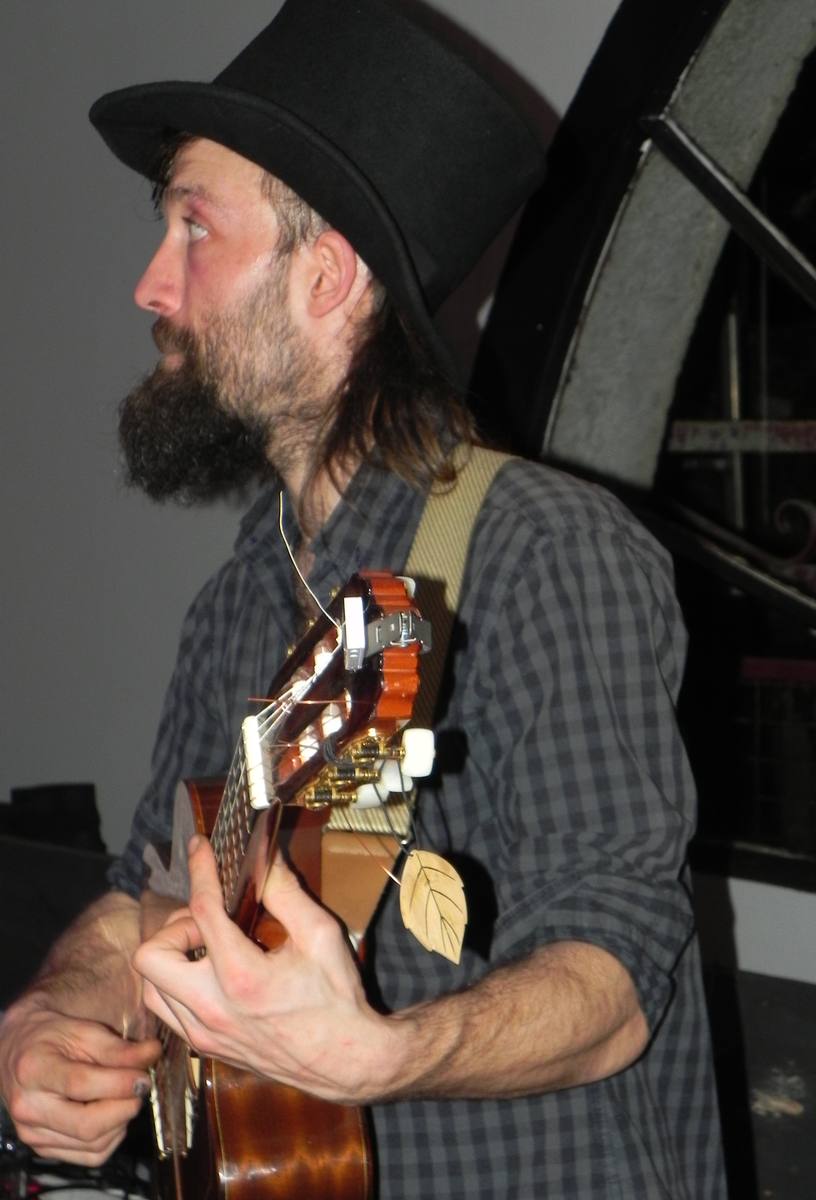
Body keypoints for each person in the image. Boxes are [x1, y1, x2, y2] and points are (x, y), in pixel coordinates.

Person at [0, 1, 727, 1196]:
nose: (150, 285)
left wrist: (380, 1055)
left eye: (193, 228)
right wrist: (54, 1018)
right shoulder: (239, 600)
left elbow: (616, 977)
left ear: (326, 277)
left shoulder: (541, 550)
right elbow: (146, 898)